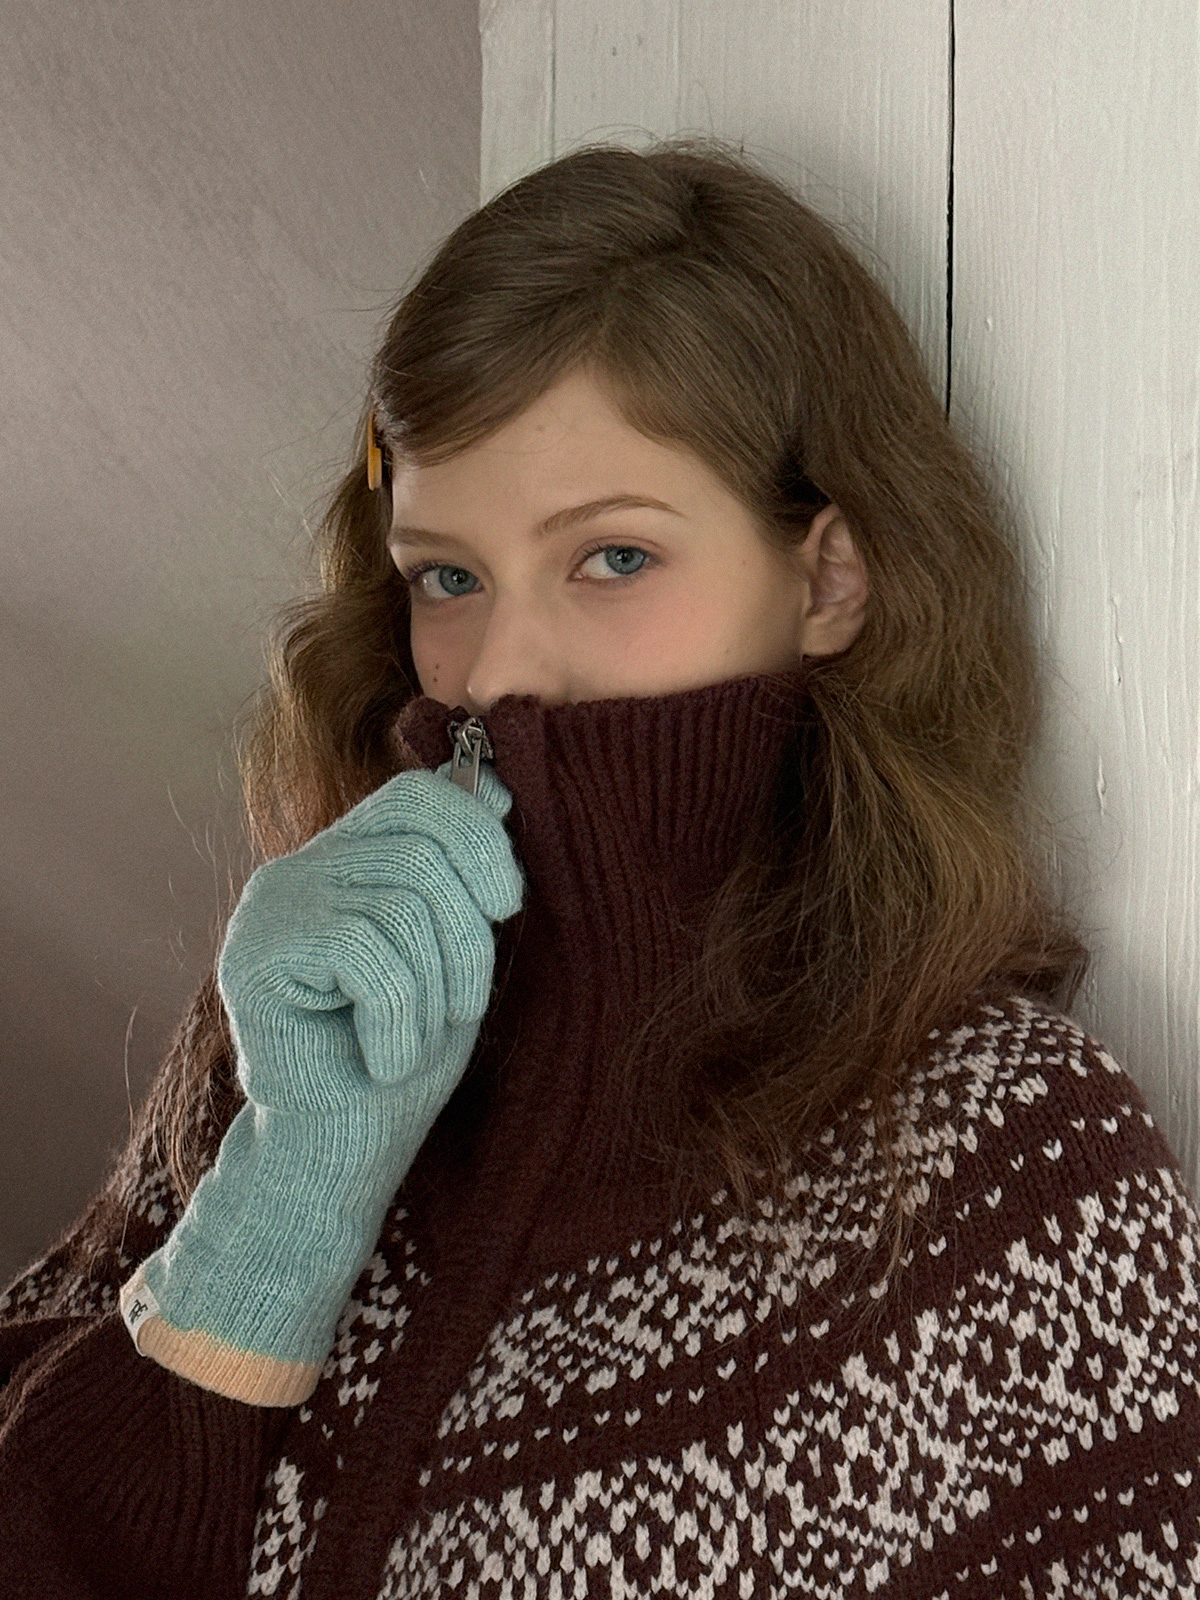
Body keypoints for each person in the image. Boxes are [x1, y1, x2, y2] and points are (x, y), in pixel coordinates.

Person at [2, 133, 1197, 1600]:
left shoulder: (1009, 1161)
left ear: (827, 578)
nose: (501, 669)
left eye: (614, 558)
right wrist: (273, 1221)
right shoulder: (303, 1017)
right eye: (448, 576)